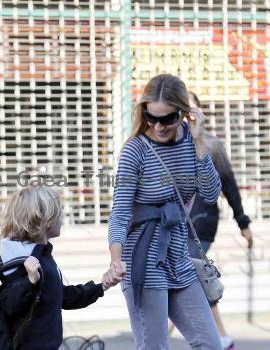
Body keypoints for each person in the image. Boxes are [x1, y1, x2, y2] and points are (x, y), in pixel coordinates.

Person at [107, 74, 222, 350]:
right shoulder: (135, 151)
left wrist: (200, 143)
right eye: (151, 117)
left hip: (179, 258)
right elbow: (120, 213)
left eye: (167, 119)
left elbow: (209, 194)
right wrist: (115, 259)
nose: (158, 126)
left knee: (210, 344)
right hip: (143, 259)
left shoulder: (190, 142)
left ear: (184, 113)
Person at [0, 185, 121, 350]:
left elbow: (61, 296)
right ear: (42, 219)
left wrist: (101, 287)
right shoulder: (23, 258)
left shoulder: (42, 255)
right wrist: (30, 281)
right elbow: (10, 304)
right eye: (58, 213)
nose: (62, 217)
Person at [182, 91, 253, 350]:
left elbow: (229, 186)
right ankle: (221, 340)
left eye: (191, 109)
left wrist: (243, 223)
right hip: (175, 225)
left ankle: (219, 339)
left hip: (201, 223)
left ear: (200, 113)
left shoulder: (212, 145)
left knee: (187, 276)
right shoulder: (170, 145)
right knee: (187, 280)